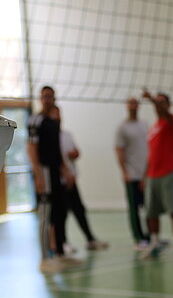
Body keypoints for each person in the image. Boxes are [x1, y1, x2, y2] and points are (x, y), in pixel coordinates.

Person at [27, 86, 81, 272]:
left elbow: (56, 149)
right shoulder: (36, 119)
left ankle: (60, 254)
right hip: (45, 172)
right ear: (41, 99)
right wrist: (38, 175)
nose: (47, 100)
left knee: (59, 213)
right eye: (44, 97)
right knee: (46, 215)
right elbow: (32, 148)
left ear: (54, 98)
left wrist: (65, 169)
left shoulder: (53, 120)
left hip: (57, 174)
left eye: (50, 96)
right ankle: (44, 259)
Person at [49, 106, 108, 252]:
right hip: (58, 182)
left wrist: (74, 155)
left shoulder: (67, 135)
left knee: (79, 210)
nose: (57, 117)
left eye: (59, 114)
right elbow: (53, 160)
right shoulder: (49, 137)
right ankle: (62, 243)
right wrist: (64, 174)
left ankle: (90, 239)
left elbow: (77, 152)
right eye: (54, 115)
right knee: (60, 214)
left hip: (71, 180)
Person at [141, 89, 173, 264]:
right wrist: (145, 176)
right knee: (151, 214)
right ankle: (154, 244)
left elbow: (164, 112)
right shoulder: (153, 128)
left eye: (162, 102)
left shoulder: (172, 121)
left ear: (168, 105)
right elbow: (150, 155)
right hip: (152, 177)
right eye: (157, 102)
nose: (158, 105)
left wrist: (151, 98)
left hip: (169, 174)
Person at [115, 97, 150, 250]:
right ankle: (138, 238)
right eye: (129, 103)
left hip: (146, 174)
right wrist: (124, 172)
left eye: (135, 103)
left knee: (149, 207)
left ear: (138, 106)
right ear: (126, 106)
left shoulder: (144, 125)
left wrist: (148, 173)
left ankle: (151, 236)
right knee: (134, 207)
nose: (132, 106)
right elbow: (119, 150)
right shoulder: (122, 128)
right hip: (132, 174)